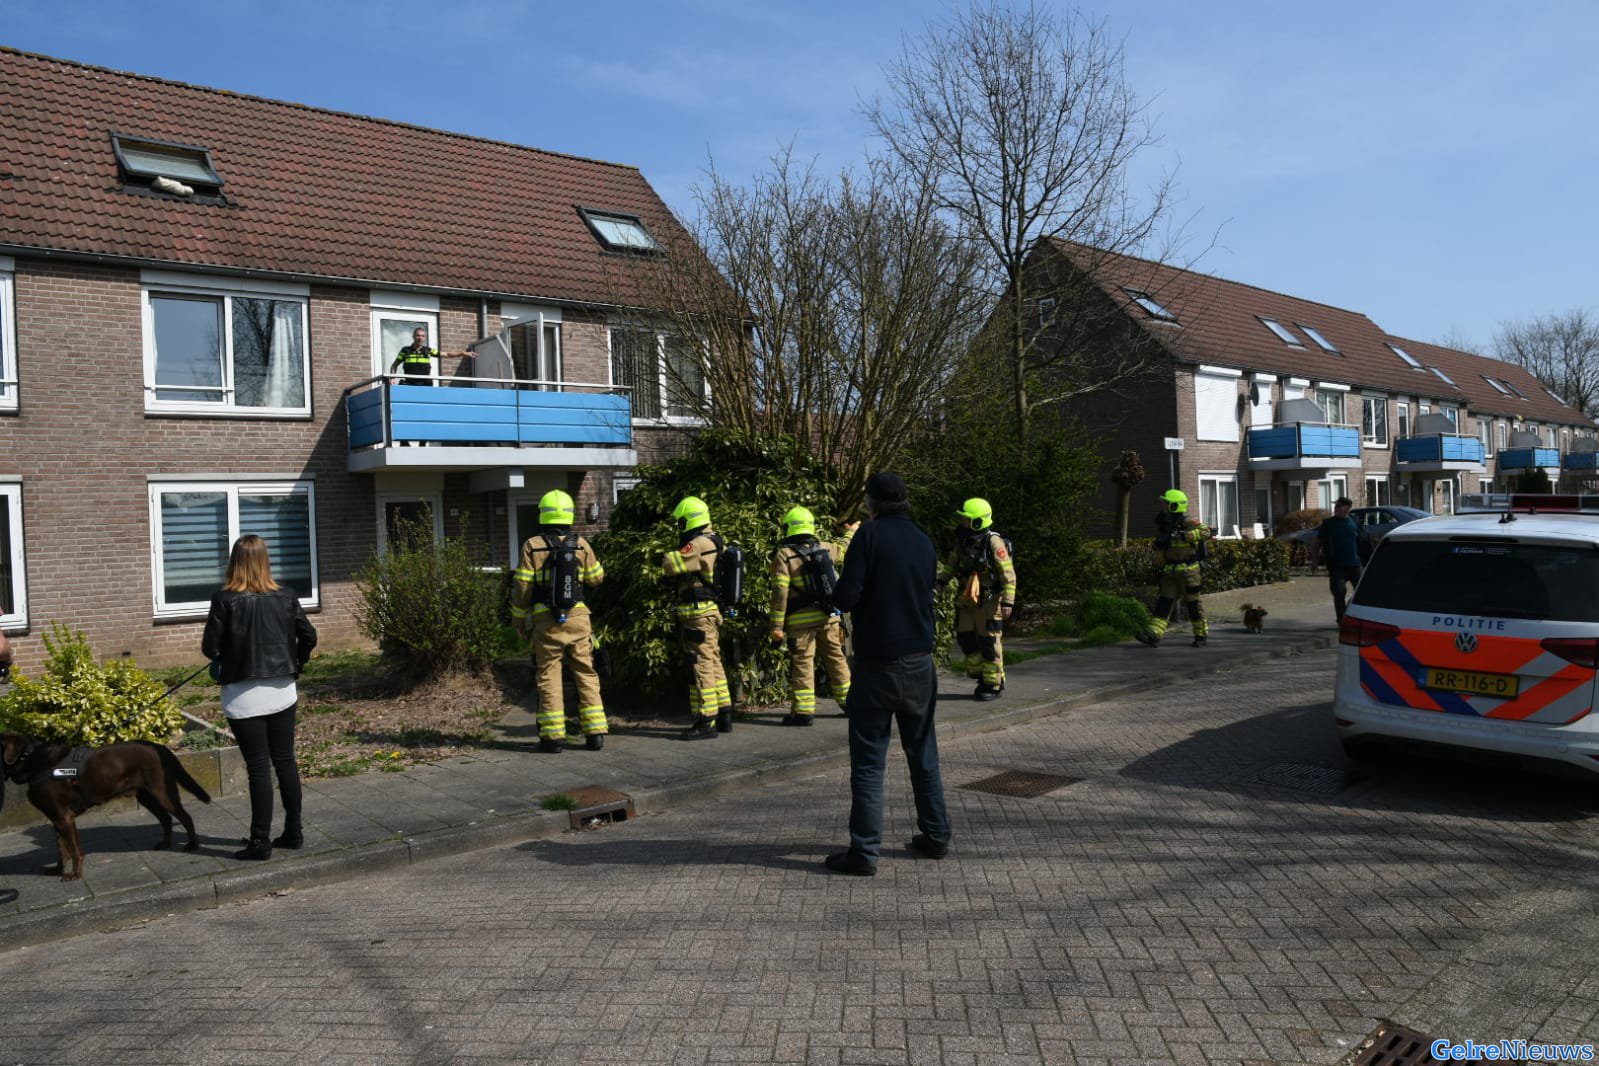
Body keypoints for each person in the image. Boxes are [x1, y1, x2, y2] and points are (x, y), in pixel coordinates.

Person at [824, 471, 949, 876]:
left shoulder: (869, 537)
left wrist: (829, 590)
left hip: (877, 664)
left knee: (869, 761)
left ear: (872, 502)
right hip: (919, 662)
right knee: (923, 753)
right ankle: (936, 835)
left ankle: (864, 852)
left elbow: (846, 596)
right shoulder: (923, 541)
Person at [201, 535, 317, 861]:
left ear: (234, 562)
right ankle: (294, 833)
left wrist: (228, 653)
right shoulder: (286, 596)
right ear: (266, 560)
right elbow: (309, 635)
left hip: (243, 694)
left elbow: (210, 649)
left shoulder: (224, 599)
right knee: (285, 761)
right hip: (282, 689)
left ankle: (260, 842)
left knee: (258, 768)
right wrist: (297, 661)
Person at [511, 489, 608, 752]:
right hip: (578, 618)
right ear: (569, 514)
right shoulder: (582, 544)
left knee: (549, 675)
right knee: (586, 674)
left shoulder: (533, 545)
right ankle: (596, 733)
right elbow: (597, 578)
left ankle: (553, 738)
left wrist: (518, 620)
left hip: (546, 620)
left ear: (543, 515)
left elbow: (522, 586)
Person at [768, 506, 857, 726]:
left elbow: (780, 594)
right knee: (836, 659)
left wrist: (776, 627)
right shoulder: (825, 548)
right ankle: (851, 704)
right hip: (830, 618)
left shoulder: (785, 556)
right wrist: (853, 530)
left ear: (788, 527)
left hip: (800, 623)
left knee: (803, 663)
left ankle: (804, 712)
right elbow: (844, 548)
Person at [661, 496, 731, 740]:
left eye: (680, 522)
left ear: (688, 521)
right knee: (712, 661)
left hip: (697, 614)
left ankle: (705, 721)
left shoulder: (699, 543)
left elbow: (671, 564)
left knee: (700, 665)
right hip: (709, 611)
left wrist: (669, 554)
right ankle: (724, 713)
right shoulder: (716, 540)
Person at [946, 498, 1017, 700]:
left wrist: (1008, 602)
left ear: (978, 521)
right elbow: (952, 564)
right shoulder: (962, 540)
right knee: (965, 636)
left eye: (966, 520)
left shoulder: (994, 542)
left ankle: (993, 683)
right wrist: (941, 582)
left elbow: (1008, 574)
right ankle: (981, 675)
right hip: (969, 598)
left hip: (990, 600)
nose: (962, 523)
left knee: (989, 641)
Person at [1135, 489, 1212, 648]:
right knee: (1164, 603)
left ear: (1175, 505)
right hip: (1170, 572)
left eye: (1167, 503)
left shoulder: (1187, 521)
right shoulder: (1164, 525)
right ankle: (1153, 635)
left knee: (1193, 605)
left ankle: (1201, 636)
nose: (1163, 506)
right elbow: (1161, 546)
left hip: (1189, 573)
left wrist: (1187, 536)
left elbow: (1206, 531)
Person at [1316, 496, 1364, 621]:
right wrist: (1314, 560)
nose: (1336, 508)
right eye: (1336, 506)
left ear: (1347, 508)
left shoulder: (1354, 521)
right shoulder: (1328, 524)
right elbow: (1318, 542)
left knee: (1362, 592)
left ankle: (1359, 616)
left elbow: (1363, 540)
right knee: (1338, 592)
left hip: (1354, 564)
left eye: (1339, 506)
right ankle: (1341, 620)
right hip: (1336, 565)